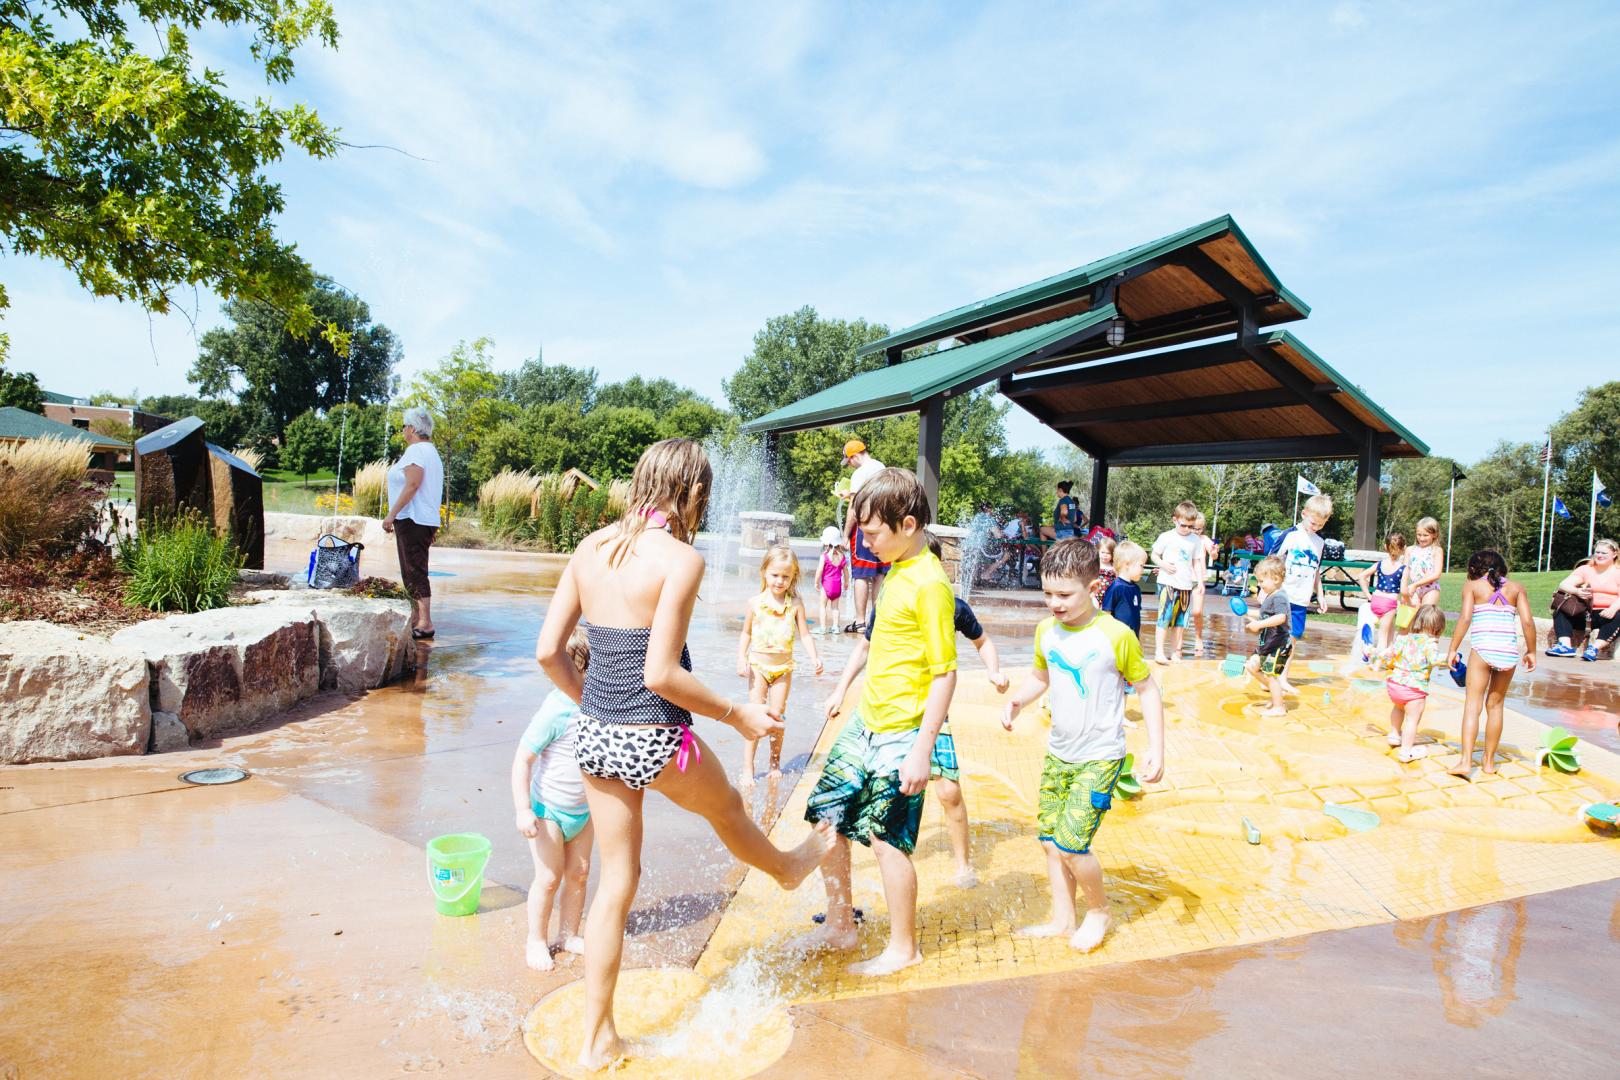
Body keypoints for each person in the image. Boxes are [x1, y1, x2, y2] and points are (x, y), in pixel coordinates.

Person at [534, 438, 833, 1071]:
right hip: (657, 735)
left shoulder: (589, 549)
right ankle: (782, 868)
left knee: (616, 885)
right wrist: (738, 714)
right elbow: (663, 674)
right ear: (694, 492)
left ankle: (597, 1040)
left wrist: (594, 702)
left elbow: (546, 652)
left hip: (595, 733)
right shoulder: (680, 558)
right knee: (727, 810)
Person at [802, 468, 956, 976]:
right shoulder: (896, 571)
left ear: (907, 524)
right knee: (827, 813)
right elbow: (874, 643)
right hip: (867, 722)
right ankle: (841, 921)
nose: (864, 543)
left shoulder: (930, 583)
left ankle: (903, 947)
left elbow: (945, 673)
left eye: (871, 533)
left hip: (904, 732)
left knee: (885, 837)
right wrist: (844, 689)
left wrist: (922, 748)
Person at [1002, 538, 1165, 953]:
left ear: (1093, 587)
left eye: (1064, 594)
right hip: (1059, 753)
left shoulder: (1115, 635)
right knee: (1049, 841)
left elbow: (1147, 689)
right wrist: (1018, 700)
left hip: (1100, 757)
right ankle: (1062, 919)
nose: (1054, 603)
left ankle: (1097, 911)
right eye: (1047, 594)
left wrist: (1156, 748)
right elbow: (1041, 677)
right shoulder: (1046, 631)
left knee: (1072, 843)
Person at [825, 532, 1010, 890]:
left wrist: (994, 670)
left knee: (948, 792)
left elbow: (982, 642)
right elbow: (864, 648)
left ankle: (962, 863)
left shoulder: (950, 604)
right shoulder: (892, 596)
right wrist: (840, 689)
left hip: (930, 712)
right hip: (892, 711)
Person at [512, 628, 594, 971]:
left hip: (583, 809)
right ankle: (536, 940)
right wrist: (523, 810)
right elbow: (523, 759)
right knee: (548, 878)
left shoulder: (595, 704)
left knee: (579, 872)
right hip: (549, 810)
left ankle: (569, 933)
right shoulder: (555, 710)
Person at [735, 545, 824, 789]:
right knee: (755, 715)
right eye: (775, 575)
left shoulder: (795, 604)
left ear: (793, 576)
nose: (780, 580)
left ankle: (774, 762)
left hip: (783, 669)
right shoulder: (755, 603)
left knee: (777, 717)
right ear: (764, 572)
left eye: (786, 576)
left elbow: (804, 634)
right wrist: (740, 657)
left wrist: (814, 657)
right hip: (758, 668)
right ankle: (748, 767)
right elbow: (745, 633)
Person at [1443, 551, 1536, 780]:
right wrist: (1532, 651)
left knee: (1472, 705)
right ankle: (1489, 762)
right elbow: (1527, 621)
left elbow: (1465, 619)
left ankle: (1466, 762)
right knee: (1495, 706)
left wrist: (1453, 648)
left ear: (1473, 569)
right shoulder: (1516, 588)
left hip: (1483, 650)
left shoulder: (1473, 586)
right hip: (1508, 652)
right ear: (1502, 568)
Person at [382, 406, 445, 640]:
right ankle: (419, 618)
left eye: (404, 427)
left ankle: (425, 622)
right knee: (415, 568)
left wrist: (391, 514)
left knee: (414, 571)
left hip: (412, 519)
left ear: (412, 428)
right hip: (423, 520)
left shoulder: (416, 451)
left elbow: (412, 485)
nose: (403, 431)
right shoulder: (431, 452)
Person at [1273, 494, 1334, 691]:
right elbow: (1271, 560)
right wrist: (1265, 590)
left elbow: (1316, 570)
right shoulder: (1290, 535)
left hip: (1302, 599)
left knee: (1293, 638)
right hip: (1283, 594)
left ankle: (1282, 676)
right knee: (1275, 635)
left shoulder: (1320, 543)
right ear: (1304, 513)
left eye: (1320, 525)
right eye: (1312, 522)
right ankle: (1271, 675)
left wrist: (1321, 595)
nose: (1315, 527)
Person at [1374, 605, 1448, 763]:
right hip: (1414, 689)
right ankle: (1406, 752)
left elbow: (1390, 652)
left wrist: (1376, 655)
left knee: (1398, 708)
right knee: (1412, 720)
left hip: (1394, 685)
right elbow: (1435, 660)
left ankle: (1394, 735)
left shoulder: (1404, 638)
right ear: (1438, 628)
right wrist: (1449, 658)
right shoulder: (1430, 643)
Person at [842, 439, 889, 632]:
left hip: (864, 528)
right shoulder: (882, 468)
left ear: (854, 456)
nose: (849, 465)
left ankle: (860, 622)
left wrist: (845, 534)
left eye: (849, 461)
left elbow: (854, 508)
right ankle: (876, 621)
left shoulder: (859, 474)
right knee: (879, 574)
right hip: (884, 527)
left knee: (861, 575)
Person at [1548, 538, 1620, 659]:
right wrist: (1576, 591)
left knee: (1619, 615)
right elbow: (1564, 584)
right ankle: (1565, 646)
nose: (1599, 555)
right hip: (1585, 613)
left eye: (1604, 553)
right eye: (1597, 552)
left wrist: (1613, 608)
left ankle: (1594, 648)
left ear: (1614, 554)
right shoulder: (1586, 569)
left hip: (1608, 614)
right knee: (1561, 609)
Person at [1150, 501, 1202, 664]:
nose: (1187, 529)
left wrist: (1200, 581)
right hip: (1167, 582)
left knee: (1180, 621)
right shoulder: (1166, 537)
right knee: (1164, 617)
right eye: (1183, 525)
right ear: (1174, 520)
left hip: (1185, 584)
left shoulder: (1195, 540)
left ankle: (1174, 652)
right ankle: (1159, 651)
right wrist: (1163, 564)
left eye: (1191, 526)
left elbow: (1197, 562)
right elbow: (1154, 555)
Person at [1243, 557, 1292, 717]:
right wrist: (1249, 614)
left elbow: (1280, 618)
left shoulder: (1279, 597)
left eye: (1262, 581)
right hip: (1269, 643)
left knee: (1271, 675)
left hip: (1278, 644)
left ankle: (1279, 706)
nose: (1259, 585)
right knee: (1252, 666)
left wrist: (1259, 625)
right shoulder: (1271, 596)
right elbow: (1266, 615)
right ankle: (1276, 694)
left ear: (1276, 579)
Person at [1356, 532, 1407, 653]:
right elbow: (1404, 591)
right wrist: (1409, 600)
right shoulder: (1403, 568)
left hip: (1376, 600)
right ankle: (1376, 662)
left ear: (1385, 547)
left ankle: (1387, 653)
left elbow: (1362, 576)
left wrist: (1368, 595)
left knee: (1391, 628)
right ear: (1404, 548)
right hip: (1389, 603)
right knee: (1383, 636)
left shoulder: (1379, 564)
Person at [1188, 511, 1219, 657]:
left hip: (1199, 579)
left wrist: (1214, 552)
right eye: (1194, 527)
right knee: (1180, 612)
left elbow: (1213, 554)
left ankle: (1198, 637)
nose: (1196, 531)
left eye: (1199, 528)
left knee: (1197, 612)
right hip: (1184, 578)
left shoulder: (1204, 539)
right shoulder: (1185, 538)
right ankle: (1179, 639)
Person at [1099, 540, 1145, 636]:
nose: (1143, 570)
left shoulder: (1136, 588)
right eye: (1141, 566)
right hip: (1118, 638)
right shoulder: (1116, 587)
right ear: (1127, 564)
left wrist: (1140, 639)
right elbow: (1106, 613)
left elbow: (1136, 617)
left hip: (1133, 638)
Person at [816, 526, 850, 635]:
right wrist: (846, 583)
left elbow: (820, 570)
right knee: (835, 608)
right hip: (837, 587)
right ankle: (835, 627)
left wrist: (816, 582)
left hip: (826, 586)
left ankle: (823, 628)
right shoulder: (842, 557)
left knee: (822, 606)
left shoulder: (824, 556)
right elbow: (846, 572)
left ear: (826, 543)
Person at [1405, 516, 1444, 610]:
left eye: (1425, 535)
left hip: (1431, 589)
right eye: (1419, 534)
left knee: (1425, 618)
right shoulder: (1410, 550)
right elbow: (1405, 570)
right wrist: (1404, 588)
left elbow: (1437, 574)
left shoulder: (1436, 550)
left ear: (1434, 534)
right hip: (1413, 589)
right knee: (1408, 620)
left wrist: (1416, 584)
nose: (1421, 538)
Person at [1089, 534, 1118, 605]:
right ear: (1098, 551)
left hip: (1109, 594)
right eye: (1102, 552)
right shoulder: (1095, 565)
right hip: (1095, 593)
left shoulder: (1113, 567)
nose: (1105, 555)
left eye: (1108, 553)